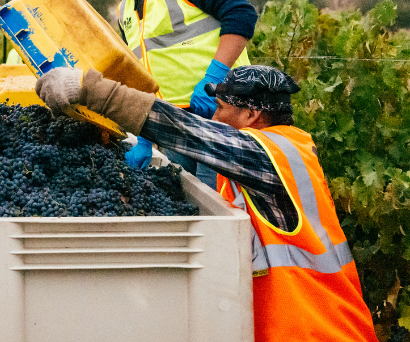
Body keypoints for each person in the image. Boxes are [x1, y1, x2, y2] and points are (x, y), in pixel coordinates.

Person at [35, 64, 378, 342]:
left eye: (222, 109)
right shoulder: (286, 148)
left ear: (252, 115)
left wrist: (92, 90)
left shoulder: (263, 155)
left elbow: (191, 133)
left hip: (317, 331)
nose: (214, 117)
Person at [87, 0, 258, 185]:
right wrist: (145, 135)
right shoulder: (126, 9)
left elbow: (241, 14)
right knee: (192, 201)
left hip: (220, 114)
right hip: (174, 126)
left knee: (219, 207)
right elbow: (145, 71)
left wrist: (215, 77)